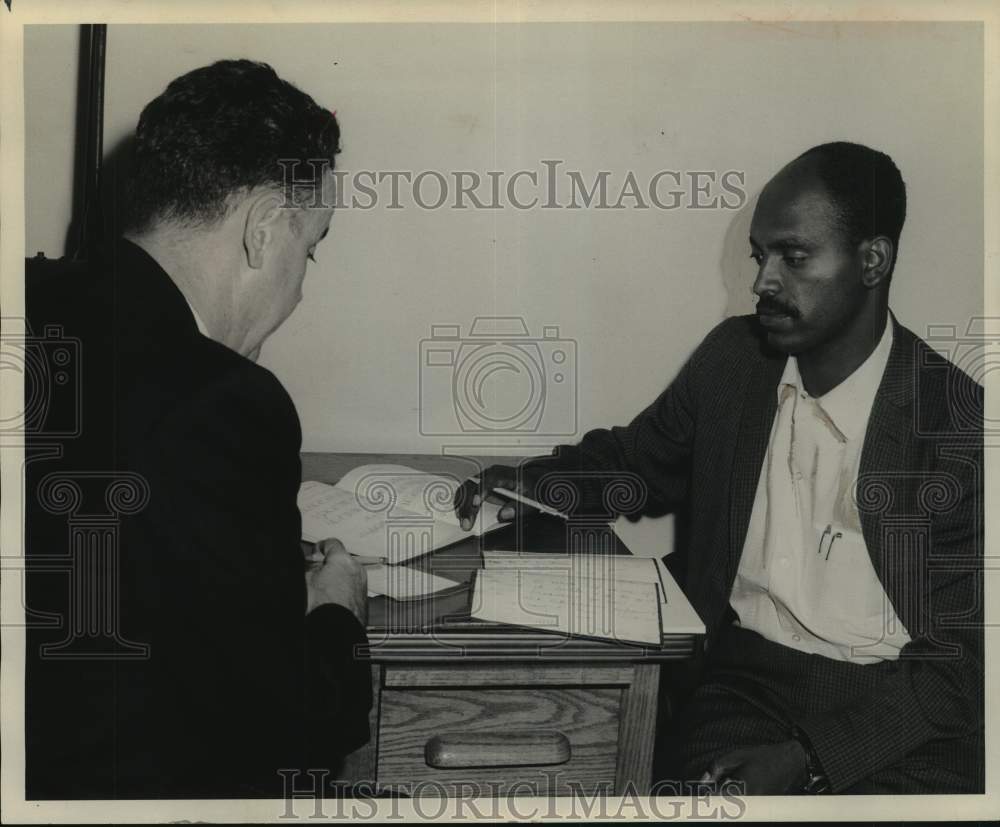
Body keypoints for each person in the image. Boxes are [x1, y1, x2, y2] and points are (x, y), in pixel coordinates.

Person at [455, 142, 984, 794]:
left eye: (794, 257)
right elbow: (637, 464)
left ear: (872, 260)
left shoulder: (955, 425)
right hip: (745, 686)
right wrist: (534, 482)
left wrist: (809, 758)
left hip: (900, 715)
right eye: (761, 256)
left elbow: (961, 666)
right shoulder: (736, 359)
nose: (763, 282)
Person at [25, 60, 371, 799]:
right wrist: (336, 610)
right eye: (309, 248)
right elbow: (297, 727)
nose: (299, 288)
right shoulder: (225, 403)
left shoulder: (27, 301)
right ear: (264, 230)